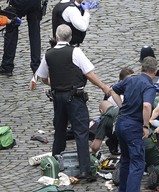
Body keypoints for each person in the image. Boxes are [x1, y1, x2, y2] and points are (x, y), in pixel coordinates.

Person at [35, 24, 110, 181]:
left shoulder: (48, 54)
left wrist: (55, 84)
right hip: (75, 97)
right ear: (70, 38)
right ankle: (84, 170)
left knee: (60, 130)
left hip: (58, 97)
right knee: (81, 132)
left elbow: (42, 77)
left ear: (57, 37)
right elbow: (89, 74)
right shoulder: (75, 52)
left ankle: (55, 164)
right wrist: (103, 86)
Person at [110, 56, 157, 192]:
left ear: (141, 69)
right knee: (137, 163)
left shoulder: (130, 79)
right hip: (133, 127)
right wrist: (145, 125)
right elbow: (147, 106)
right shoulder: (149, 86)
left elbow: (113, 90)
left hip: (121, 123)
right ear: (155, 72)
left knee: (125, 160)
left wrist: (121, 106)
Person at [0, 0, 42, 76]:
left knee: (11, 31)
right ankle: (36, 66)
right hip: (35, 3)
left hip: (18, 3)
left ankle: (7, 65)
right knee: (35, 33)